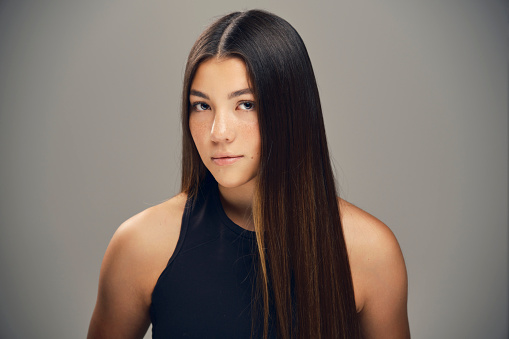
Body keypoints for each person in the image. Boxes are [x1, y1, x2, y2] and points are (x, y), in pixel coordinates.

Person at [87, 9, 410, 339]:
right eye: (202, 105)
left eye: (246, 104)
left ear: (291, 109)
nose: (219, 132)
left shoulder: (370, 252)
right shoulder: (140, 245)